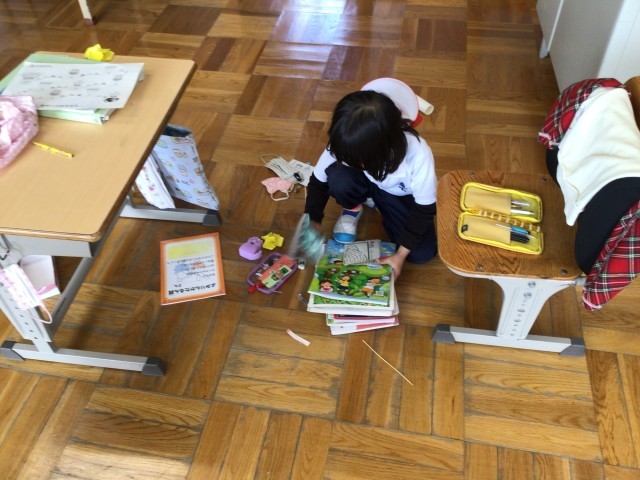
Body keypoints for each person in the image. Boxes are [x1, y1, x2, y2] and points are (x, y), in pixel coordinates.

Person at [303, 89, 437, 278]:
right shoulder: (347, 138)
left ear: (381, 151)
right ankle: (353, 207)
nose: (347, 161)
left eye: (356, 161)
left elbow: (424, 209)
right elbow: (318, 182)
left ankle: (379, 204)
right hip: (366, 181)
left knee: (421, 253)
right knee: (339, 177)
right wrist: (312, 219)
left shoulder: (418, 155)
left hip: (398, 196)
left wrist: (400, 255)